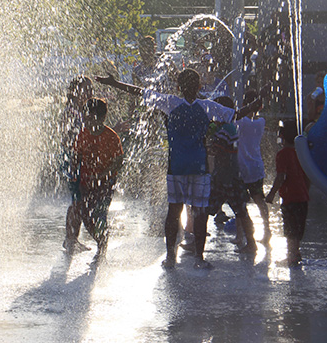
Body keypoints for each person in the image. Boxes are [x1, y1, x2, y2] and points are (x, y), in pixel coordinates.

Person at [96, 69, 236, 270]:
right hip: (199, 167)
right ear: (199, 87)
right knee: (200, 212)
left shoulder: (171, 103)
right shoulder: (207, 106)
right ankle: (199, 258)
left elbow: (140, 92)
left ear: (178, 87)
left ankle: (171, 257)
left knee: (174, 211)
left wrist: (115, 83)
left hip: (177, 167)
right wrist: (257, 102)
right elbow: (234, 114)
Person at [71, 98, 124, 265]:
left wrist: (103, 175)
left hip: (105, 184)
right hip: (86, 183)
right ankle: (100, 243)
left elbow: (118, 161)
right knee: (86, 216)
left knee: (100, 216)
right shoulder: (83, 134)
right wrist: (74, 174)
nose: (85, 119)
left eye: (87, 116)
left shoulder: (111, 136)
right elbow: (76, 156)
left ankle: (102, 251)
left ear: (97, 117)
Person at [206, 96, 257, 254]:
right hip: (231, 176)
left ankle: (195, 243)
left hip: (224, 178)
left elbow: (215, 150)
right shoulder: (230, 127)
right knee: (241, 211)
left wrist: (203, 145)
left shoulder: (225, 131)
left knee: (204, 209)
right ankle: (251, 242)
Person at [266, 120, 310, 267]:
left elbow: (281, 176)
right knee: (298, 227)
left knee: (290, 228)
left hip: (290, 197)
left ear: (282, 136)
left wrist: (272, 193)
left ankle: (291, 256)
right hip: (303, 196)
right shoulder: (302, 153)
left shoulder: (282, 154)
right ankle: (296, 253)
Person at [61, 76, 94, 253]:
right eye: (86, 89)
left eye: (91, 89)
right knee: (77, 201)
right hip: (72, 160)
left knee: (80, 200)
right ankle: (70, 239)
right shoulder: (71, 111)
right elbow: (67, 139)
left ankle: (73, 239)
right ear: (76, 92)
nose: (90, 93)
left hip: (78, 159)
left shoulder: (82, 111)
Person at [237, 89, 271, 242]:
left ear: (244, 105)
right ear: (260, 107)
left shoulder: (240, 123)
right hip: (257, 167)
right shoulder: (261, 122)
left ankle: (240, 235)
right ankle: (267, 229)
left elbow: (236, 115)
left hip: (241, 168)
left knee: (240, 203)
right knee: (259, 200)